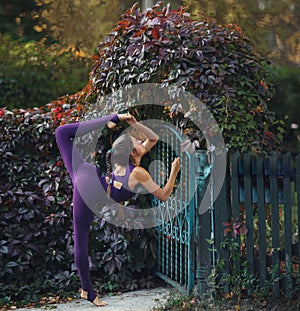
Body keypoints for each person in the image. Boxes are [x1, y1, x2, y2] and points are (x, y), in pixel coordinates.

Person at [55, 112, 180, 307]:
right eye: (137, 141)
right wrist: (174, 171)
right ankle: (87, 290)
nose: (141, 141)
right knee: (81, 239)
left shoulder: (123, 162)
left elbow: (153, 138)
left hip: (85, 176)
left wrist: (133, 123)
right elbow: (163, 195)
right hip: (88, 187)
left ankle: (87, 289)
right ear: (133, 152)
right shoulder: (137, 172)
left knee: (61, 132)